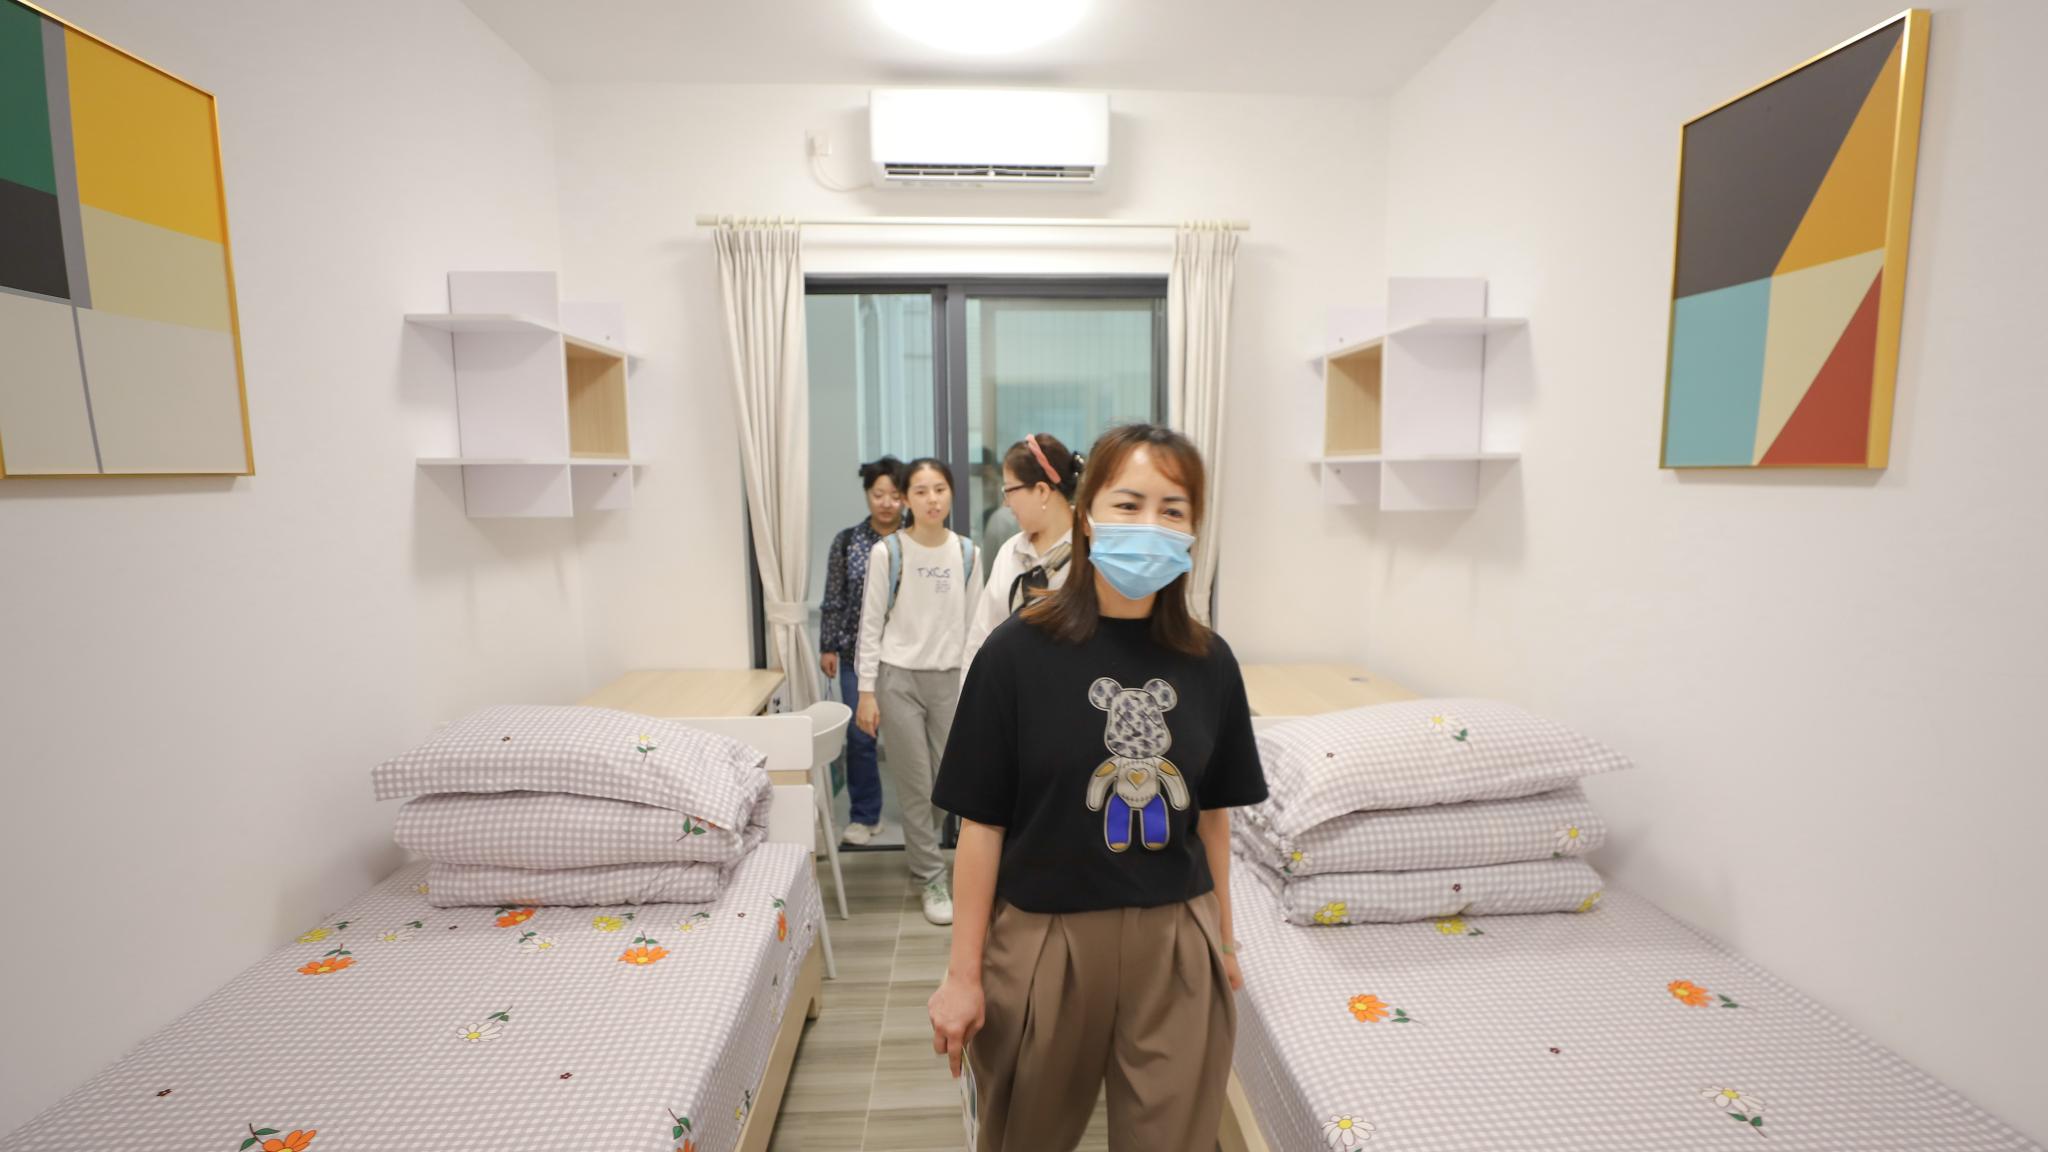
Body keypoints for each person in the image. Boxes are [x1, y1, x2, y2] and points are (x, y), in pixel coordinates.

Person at [926, 424, 1267, 1151]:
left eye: (1173, 510)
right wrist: (962, 975)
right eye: (1129, 504)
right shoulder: (1015, 653)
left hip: (1176, 940)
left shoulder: (1210, 663)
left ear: (1193, 529)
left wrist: (1224, 940)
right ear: (1086, 517)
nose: (1150, 525)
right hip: (1045, 941)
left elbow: (1212, 819)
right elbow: (982, 826)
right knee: (1026, 1137)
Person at [854, 457, 985, 924]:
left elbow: (976, 629)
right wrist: (866, 691)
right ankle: (931, 876)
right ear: (906, 498)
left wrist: (974, 689)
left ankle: (922, 854)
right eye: (922, 491)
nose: (932, 499)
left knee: (947, 788)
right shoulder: (888, 552)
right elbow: (871, 624)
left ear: (951, 493)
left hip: (951, 680)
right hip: (898, 679)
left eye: (940, 489)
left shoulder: (968, 553)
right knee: (914, 785)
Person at [817, 456, 908, 846]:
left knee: (912, 740)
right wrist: (828, 645)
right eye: (878, 494)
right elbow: (834, 597)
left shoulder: (914, 540)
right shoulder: (847, 542)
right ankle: (865, 815)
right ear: (868, 494)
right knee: (860, 736)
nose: (886, 503)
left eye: (894, 495)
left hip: (906, 656)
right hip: (856, 655)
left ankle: (924, 818)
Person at [960, 433, 1082, 674]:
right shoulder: (1010, 551)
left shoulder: (1091, 552)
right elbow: (981, 637)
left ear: (1042, 491)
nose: (1006, 503)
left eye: (1009, 490)